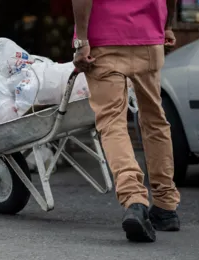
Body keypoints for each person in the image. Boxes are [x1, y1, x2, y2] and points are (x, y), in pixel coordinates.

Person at [72, 0, 181, 243]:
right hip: (149, 36)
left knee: (112, 122)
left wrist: (81, 41)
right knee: (155, 120)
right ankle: (165, 206)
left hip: (104, 38)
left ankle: (135, 200)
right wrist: (167, 26)